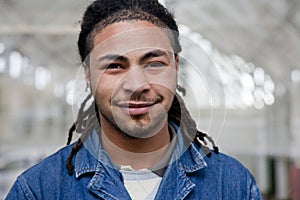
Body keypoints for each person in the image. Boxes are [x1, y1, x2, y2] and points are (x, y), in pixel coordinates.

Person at [6, 0, 262, 199]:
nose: (137, 85)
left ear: (175, 67)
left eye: (153, 63)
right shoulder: (38, 191)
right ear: (88, 75)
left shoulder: (232, 185)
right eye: (115, 66)